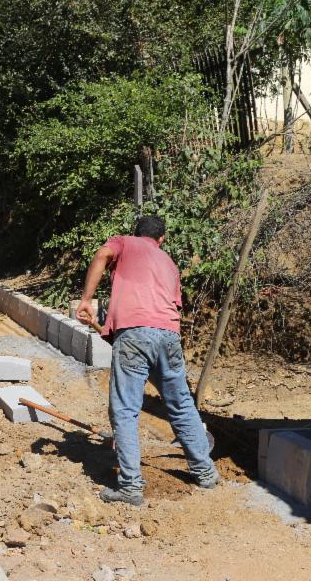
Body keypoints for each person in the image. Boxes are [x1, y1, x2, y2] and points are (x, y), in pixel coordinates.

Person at [76, 216, 220, 506]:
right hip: (169, 336)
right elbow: (152, 324)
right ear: (161, 240)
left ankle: (130, 487)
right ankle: (205, 472)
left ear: (135, 234)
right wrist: (99, 325)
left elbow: (103, 255)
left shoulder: (123, 243)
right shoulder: (169, 264)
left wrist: (86, 299)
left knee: (125, 410)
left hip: (136, 334)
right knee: (180, 404)